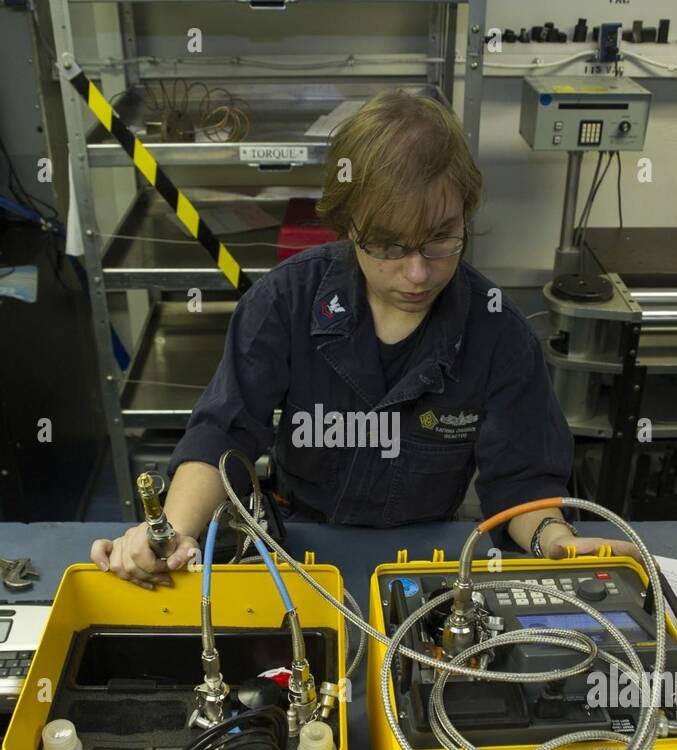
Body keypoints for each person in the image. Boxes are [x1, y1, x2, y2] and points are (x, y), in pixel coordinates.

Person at [92, 90, 635, 589]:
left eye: (441, 238)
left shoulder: (498, 330)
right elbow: (223, 432)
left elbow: (525, 479)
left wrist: (554, 541)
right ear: (349, 224)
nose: (418, 274)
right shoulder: (285, 301)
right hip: (302, 546)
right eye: (389, 246)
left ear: (465, 215)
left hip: (427, 556)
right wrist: (172, 533)